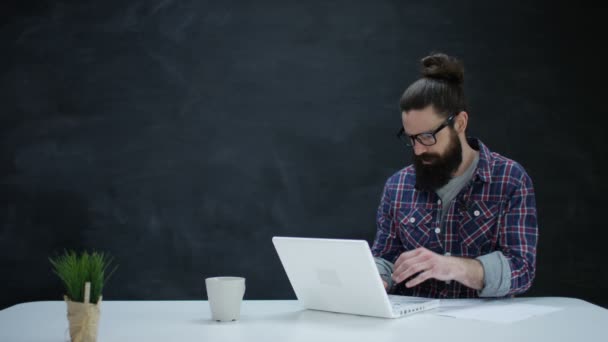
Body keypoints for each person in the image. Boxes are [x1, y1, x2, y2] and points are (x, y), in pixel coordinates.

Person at [372, 52, 538, 298]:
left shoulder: (510, 179)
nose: (418, 149)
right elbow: (386, 258)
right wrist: (374, 277)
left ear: (460, 123)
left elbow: (522, 271)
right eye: (411, 138)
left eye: (427, 137)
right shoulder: (397, 186)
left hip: (484, 329)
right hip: (414, 327)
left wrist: (452, 266)